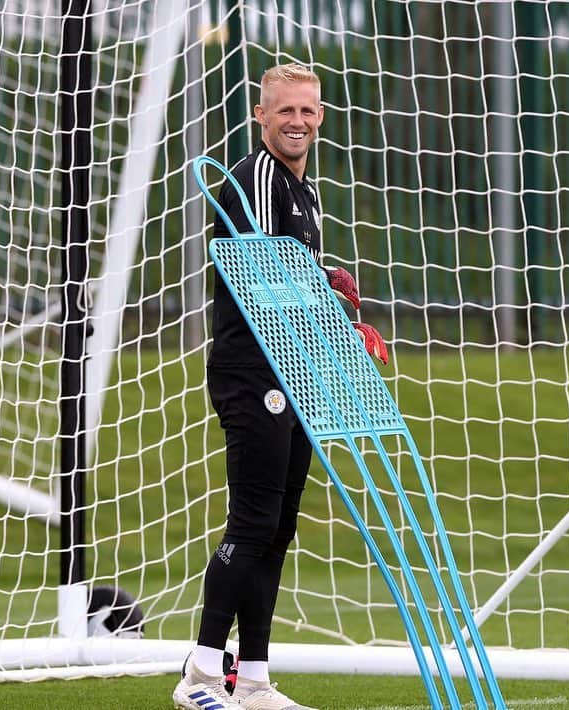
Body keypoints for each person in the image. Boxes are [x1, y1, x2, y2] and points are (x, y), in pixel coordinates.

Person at [173, 63, 388, 710]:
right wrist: (337, 324)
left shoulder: (305, 191)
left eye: (310, 111)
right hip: (253, 371)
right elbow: (264, 278)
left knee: (279, 528)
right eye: (286, 110)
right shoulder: (257, 177)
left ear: (321, 117)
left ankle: (255, 679)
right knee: (254, 519)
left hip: (293, 368)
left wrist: (332, 286)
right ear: (261, 116)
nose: (298, 121)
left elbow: (295, 272)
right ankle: (202, 675)